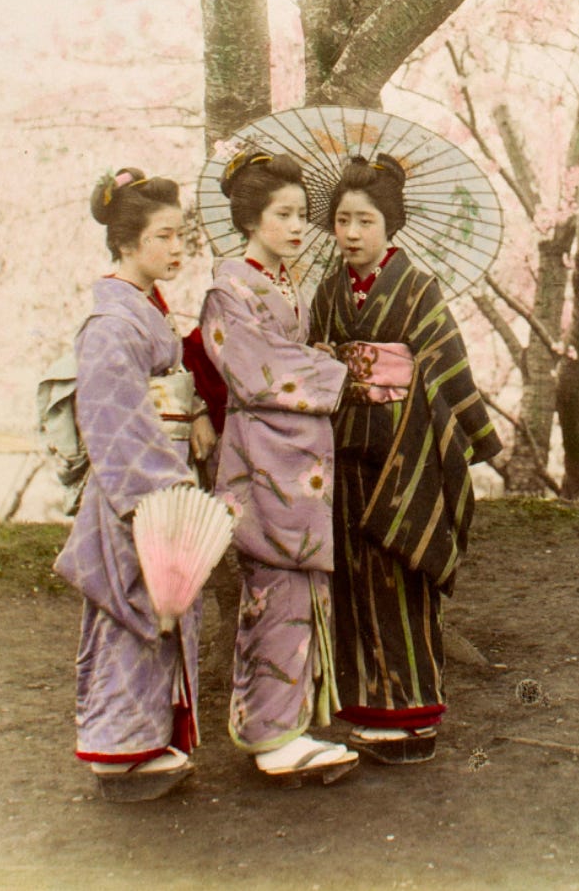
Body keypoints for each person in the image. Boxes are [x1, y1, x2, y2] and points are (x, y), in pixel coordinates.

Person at [309, 153, 501, 764]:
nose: (351, 234)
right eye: (342, 221)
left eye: (365, 221)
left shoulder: (418, 289)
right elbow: (313, 357)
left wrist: (471, 437)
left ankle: (414, 715)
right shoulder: (328, 292)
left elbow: (446, 366)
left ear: (390, 225)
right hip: (345, 446)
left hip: (405, 448)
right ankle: (369, 709)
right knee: (353, 577)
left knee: (400, 571)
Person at [54, 168, 216, 802]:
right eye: (163, 237)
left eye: (181, 235)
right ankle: (117, 752)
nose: (177, 249)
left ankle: (144, 741)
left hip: (162, 475)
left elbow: (170, 389)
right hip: (134, 489)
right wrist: (162, 494)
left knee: (159, 609)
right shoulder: (111, 324)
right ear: (126, 243)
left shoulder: (145, 309)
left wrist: (195, 412)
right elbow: (112, 420)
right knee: (132, 610)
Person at [200, 151, 357, 786]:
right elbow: (257, 370)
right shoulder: (228, 289)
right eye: (283, 215)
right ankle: (271, 736)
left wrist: (314, 355)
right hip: (263, 454)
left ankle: (288, 726)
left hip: (294, 452)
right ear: (250, 220)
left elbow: (287, 356)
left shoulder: (284, 281)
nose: (297, 227)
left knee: (298, 588)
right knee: (274, 590)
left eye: (301, 215)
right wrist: (338, 372)